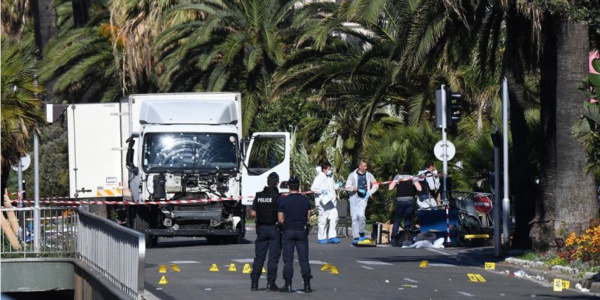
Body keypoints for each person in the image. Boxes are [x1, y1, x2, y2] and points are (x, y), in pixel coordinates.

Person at [278, 175, 313, 293]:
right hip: (301, 230)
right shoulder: (305, 200)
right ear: (299, 186)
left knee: (288, 259)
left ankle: (288, 283)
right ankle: (307, 284)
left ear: (288, 186)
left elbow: (280, 219)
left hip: (288, 230)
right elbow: (308, 217)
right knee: (304, 258)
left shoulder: (283, 200)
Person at [250, 172, 282, 291]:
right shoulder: (278, 197)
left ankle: (254, 283)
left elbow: (253, 213)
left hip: (261, 229)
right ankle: (270, 283)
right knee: (273, 258)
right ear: (277, 183)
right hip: (274, 229)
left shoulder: (259, 196)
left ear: (267, 182)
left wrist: (262, 215)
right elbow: (280, 216)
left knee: (259, 257)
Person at [344, 159, 379, 244]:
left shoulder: (369, 175)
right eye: (364, 166)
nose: (366, 168)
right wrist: (354, 188)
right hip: (354, 198)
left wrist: (369, 192)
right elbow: (347, 187)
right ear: (360, 166)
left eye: (366, 166)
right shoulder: (352, 175)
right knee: (354, 217)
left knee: (361, 216)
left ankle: (362, 233)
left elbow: (375, 184)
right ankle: (356, 237)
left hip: (363, 198)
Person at [388, 162, 421, 246]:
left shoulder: (398, 177)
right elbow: (419, 188)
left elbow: (390, 188)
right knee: (407, 219)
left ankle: (393, 239)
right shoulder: (412, 177)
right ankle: (406, 238)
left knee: (397, 220)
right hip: (410, 200)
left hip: (400, 201)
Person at [310, 162, 340, 244]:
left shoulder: (330, 177)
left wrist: (337, 186)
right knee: (323, 220)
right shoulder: (319, 178)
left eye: (330, 169)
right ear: (324, 169)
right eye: (329, 169)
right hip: (322, 202)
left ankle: (332, 236)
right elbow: (313, 188)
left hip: (331, 202)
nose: (330, 171)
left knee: (334, 217)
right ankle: (321, 237)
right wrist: (321, 191)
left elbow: (333, 186)